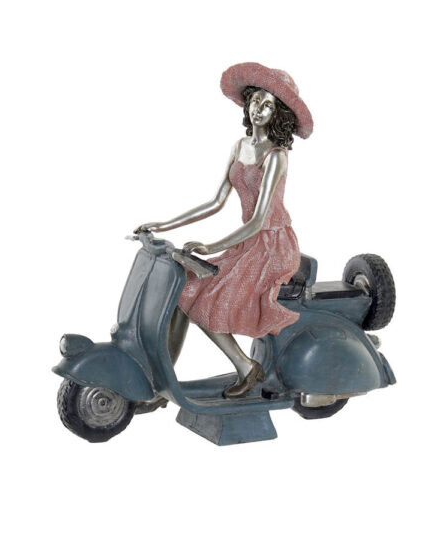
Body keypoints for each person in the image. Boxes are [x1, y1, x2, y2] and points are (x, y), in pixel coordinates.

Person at [134, 62, 313, 398]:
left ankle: (245, 366)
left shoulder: (276, 156)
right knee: (185, 291)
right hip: (248, 244)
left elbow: (258, 220)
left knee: (207, 298)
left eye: (268, 105)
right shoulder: (239, 146)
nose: (259, 109)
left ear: (278, 114)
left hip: (273, 246)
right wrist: (163, 224)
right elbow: (216, 201)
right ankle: (165, 383)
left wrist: (210, 246)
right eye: (256, 100)